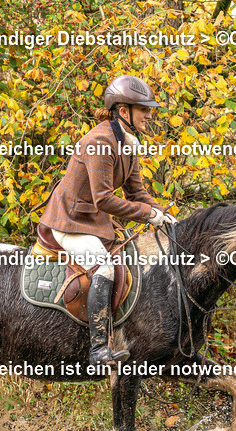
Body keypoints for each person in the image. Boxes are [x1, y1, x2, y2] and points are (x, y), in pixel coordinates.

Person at [39, 74, 176, 365]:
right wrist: (148, 215)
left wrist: (163, 214)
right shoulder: (99, 142)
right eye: (144, 110)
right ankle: (98, 349)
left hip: (94, 220)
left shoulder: (128, 141)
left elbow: (136, 191)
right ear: (123, 111)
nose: (149, 115)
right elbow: (103, 199)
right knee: (104, 268)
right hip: (70, 221)